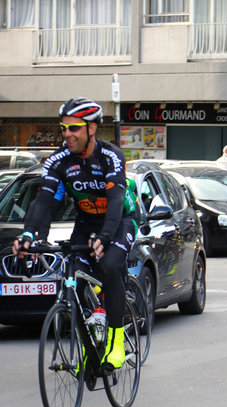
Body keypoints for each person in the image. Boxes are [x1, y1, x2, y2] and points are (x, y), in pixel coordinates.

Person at [13, 98, 140, 372]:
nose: (67, 134)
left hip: (119, 221)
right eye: (63, 128)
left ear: (91, 128)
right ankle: (87, 347)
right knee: (74, 276)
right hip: (86, 223)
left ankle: (117, 342)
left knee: (108, 265)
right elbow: (44, 201)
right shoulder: (58, 160)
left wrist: (106, 236)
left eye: (74, 128)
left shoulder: (111, 156)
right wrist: (27, 235)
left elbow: (116, 202)